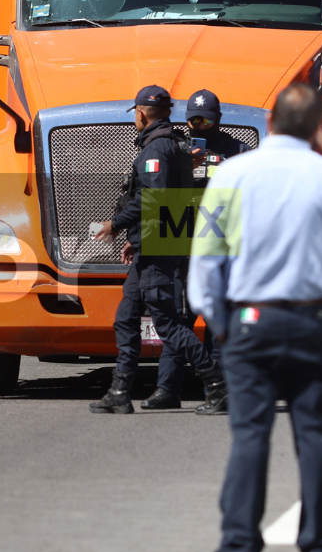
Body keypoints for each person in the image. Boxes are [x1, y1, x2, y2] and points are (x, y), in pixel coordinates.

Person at [190, 84, 322, 552]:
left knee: (251, 432)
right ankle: (321, 546)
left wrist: (220, 321)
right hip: (314, 319)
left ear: (270, 123)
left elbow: (207, 261)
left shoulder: (233, 174)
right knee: (314, 435)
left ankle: (239, 544)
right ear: (317, 127)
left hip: (251, 320)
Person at [88, 85, 224, 414]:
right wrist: (135, 241)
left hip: (159, 246)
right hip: (153, 243)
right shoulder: (176, 144)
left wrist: (116, 225)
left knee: (167, 322)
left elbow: (154, 200)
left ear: (140, 112)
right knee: (126, 316)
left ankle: (217, 384)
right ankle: (120, 391)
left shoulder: (156, 149)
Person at [184, 88, 254, 415]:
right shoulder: (175, 149)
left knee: (221, 318)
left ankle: (224, 391)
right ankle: (184, 387)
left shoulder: (238, 150)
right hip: (184, 241)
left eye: (205, 119)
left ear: (218, 119)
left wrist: (225, 164)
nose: (199, 126)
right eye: (193, 120)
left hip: (225, 244)